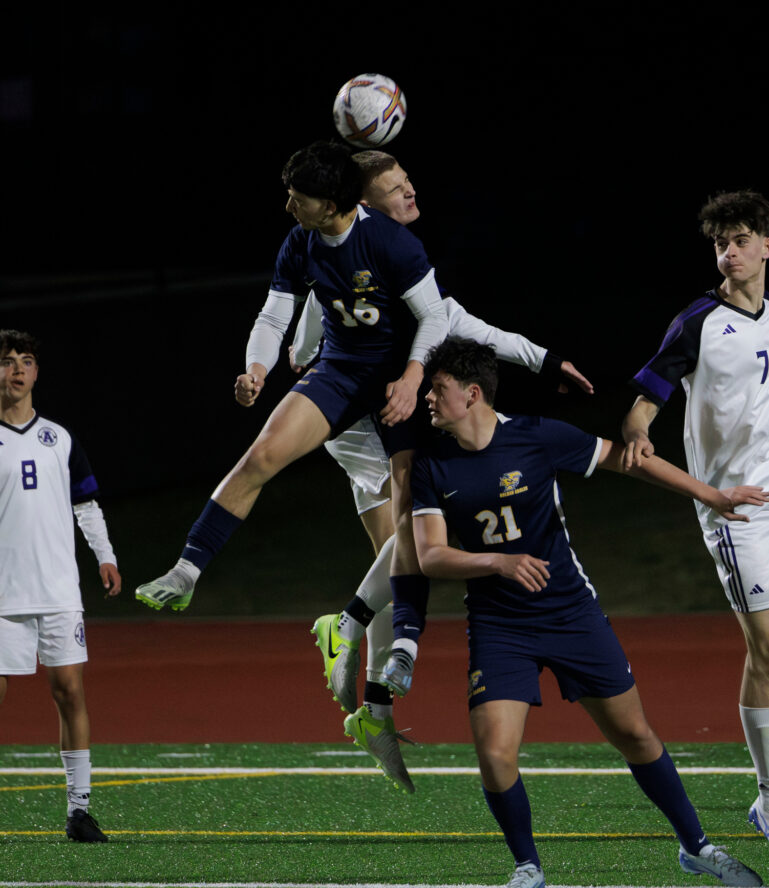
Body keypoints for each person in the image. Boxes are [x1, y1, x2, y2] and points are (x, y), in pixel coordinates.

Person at [410, 337, 765, 888]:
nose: (427, 398)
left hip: (570, 612)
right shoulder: (430, 463)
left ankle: (696, 847)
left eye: (437, 389)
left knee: (635, 733)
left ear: (472, 393)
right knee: (495, 753)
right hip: (500, 627)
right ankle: (528, 867)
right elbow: (430, 555)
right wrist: (497, 562)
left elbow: (630, 462)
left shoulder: (537, 436)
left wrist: (710, 495)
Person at [298, 151, 593, 792]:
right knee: (424, 526)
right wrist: (318, 357)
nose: (410, 191)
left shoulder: (404, 273)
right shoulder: (352, 268)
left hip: (375, 425)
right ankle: (346, 627)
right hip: (358, 425)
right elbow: (302, 341)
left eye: (409, 181)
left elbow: (466, 323)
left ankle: (373, 710)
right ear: (366, 208)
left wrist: (547, 361)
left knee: (400, 551)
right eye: (394, 188)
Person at [135, 140, 448, 662]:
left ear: (330, 204)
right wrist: (256, 368)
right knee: (261, 455)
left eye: (296, 197)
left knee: (407, 528)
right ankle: (188, 569)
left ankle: (397, 654)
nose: (287, 206)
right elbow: (274, 314)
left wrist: (414, 378)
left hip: (397, 383)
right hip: (342, 372)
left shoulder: (392, 244)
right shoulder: (300, 240)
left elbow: (435, 318)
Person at [622, 189, 769, 844]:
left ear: (765, 246)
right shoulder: (697, 323)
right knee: (765, 647)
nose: (729, 252)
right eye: (720, 243)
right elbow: (644, 401)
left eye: (740, 239)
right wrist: (636, 428)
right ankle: (767, 798)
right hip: (734, 515)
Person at [0, 329, 121, 842]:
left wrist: (106, 557)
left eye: (26, 361)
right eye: (7, 362)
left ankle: (79, 811)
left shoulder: (60, 438)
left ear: (37, 373)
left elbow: (86, 506)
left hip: (58, 590)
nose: (17, 370)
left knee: (69, 692)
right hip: (3, 594)